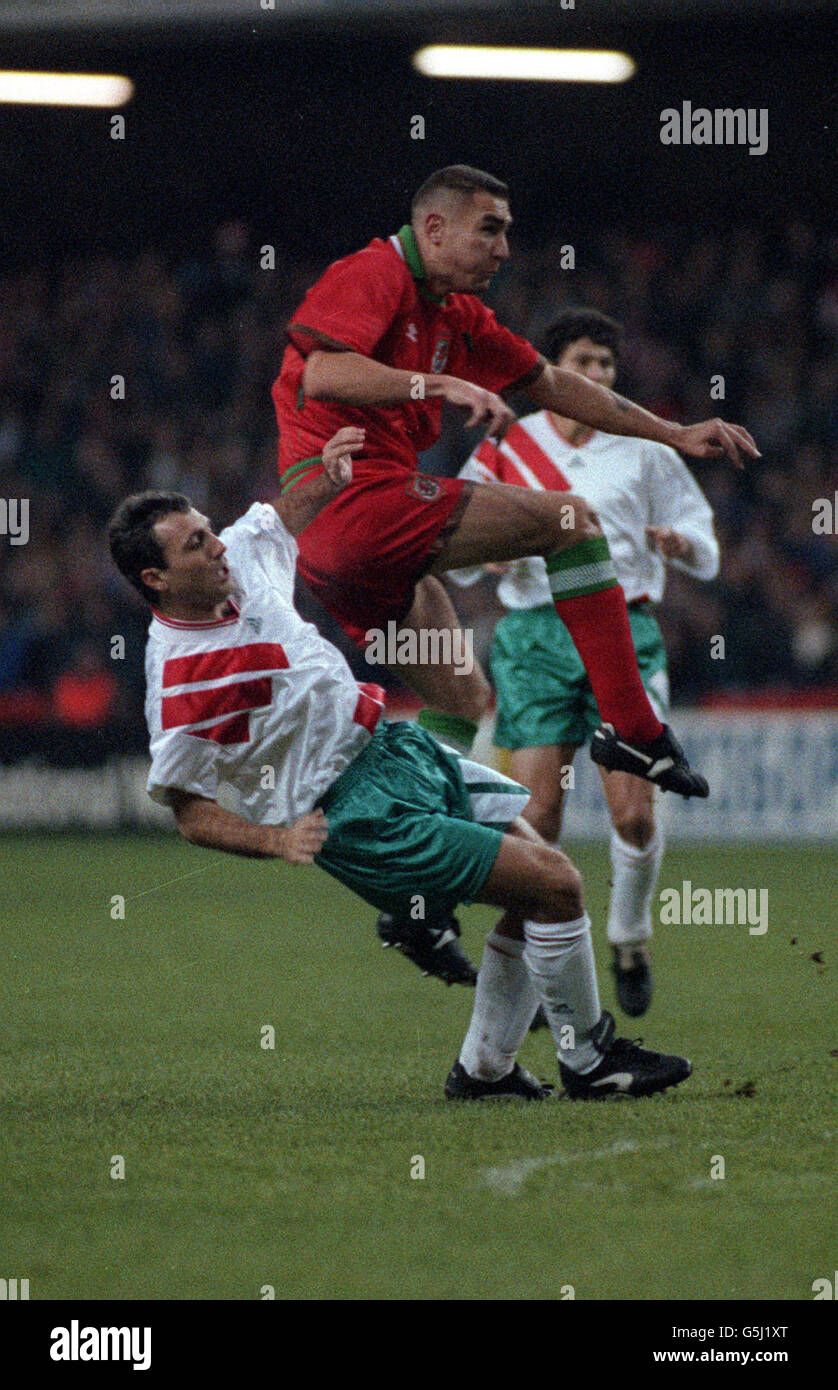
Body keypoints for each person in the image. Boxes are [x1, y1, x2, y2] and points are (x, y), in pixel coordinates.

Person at [106, 426, 693, 1101]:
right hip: (358, 816)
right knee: (555, 885)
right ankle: (590, 1061)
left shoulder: (238, 556)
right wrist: (273, 839)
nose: (217, 545)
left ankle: (484, 1071)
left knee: (538, 890)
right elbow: (188, 812)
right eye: (195, 544)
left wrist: (326, 477)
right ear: (154, 578)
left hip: (395, 747)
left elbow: (281, 516)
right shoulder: (179, 681)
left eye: (207, 530)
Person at [272, 163, 756, 978]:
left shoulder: (457, 313)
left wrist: (674, 434)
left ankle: (413, 904)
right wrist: (438, 381)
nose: (505, 245)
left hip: (353, 557)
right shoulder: (373, 273)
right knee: (570, 521)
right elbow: (323, 371)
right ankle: (636, 733)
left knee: (461, 700)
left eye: (507, 229)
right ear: (434, 230)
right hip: (351, 507)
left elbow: (552, 383)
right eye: (488, 227)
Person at [450, 308, 720, 1016]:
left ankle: (629, 933)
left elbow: (707, 542)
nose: (597, 374)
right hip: (535, 638)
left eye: (606, 364)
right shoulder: (507, 441)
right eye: (584, 362)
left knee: (632, 814)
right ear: (552, 369)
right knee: (538, 817)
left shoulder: (644, 445)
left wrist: (681, 545)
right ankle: (545, 980)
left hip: (622, 630)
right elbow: (455, 538)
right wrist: (490, 552)